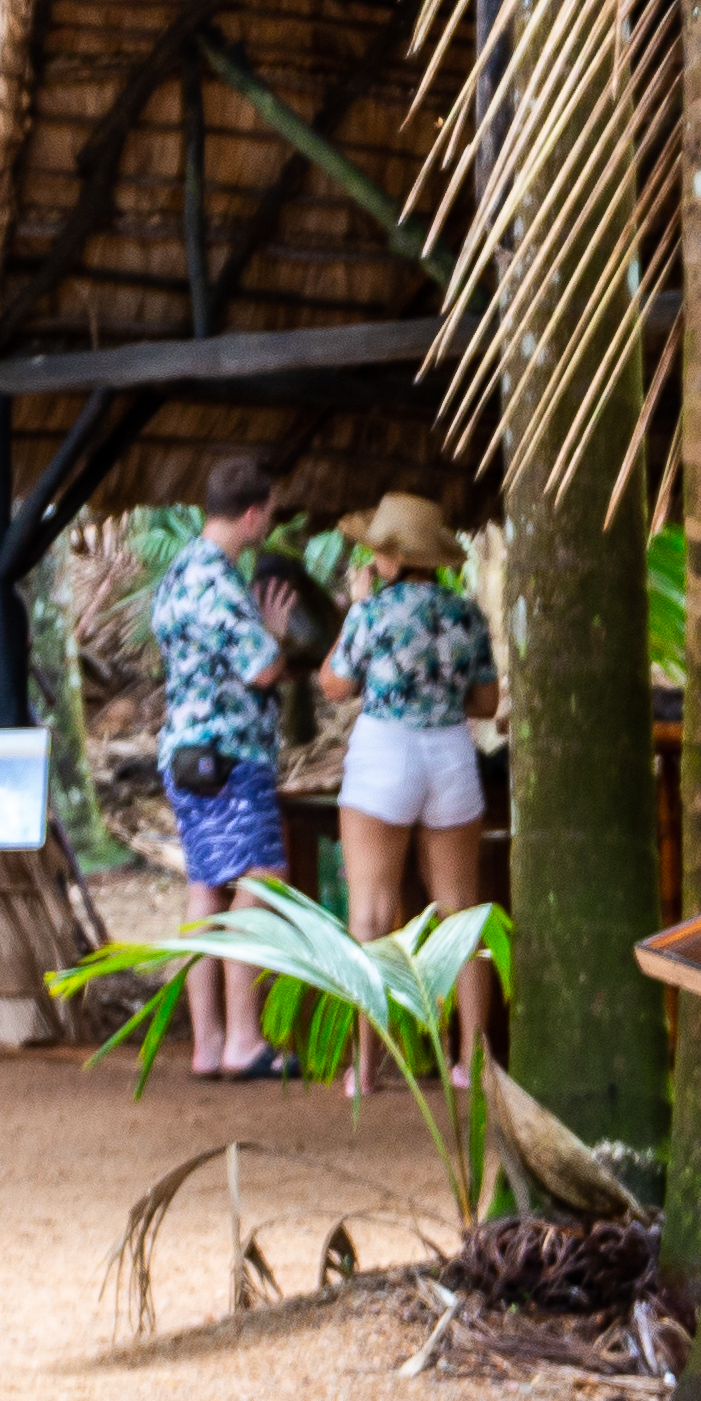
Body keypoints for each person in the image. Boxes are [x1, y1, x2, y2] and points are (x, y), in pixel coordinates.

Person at [320, 490, 499, 1092]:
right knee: (461, 916)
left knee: (369, 915)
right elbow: (486, 702)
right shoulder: (465, 613)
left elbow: (336, 686)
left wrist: (356, 609)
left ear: (392, 557)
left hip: (384, 755)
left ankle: (367, 1067)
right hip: (449, 755)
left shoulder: (371, 613)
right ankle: (473, 1061)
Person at [147, 449, 307, 1081]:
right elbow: (262, 668)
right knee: (261, 875)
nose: (267, 526)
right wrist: (274, 632)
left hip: (186, 751)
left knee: (207, 884)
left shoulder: (178, 572)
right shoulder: (215, 579)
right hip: (227, 754)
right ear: (250, 514)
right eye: (266, 515)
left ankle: (209, 1043)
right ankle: (243, 1038)